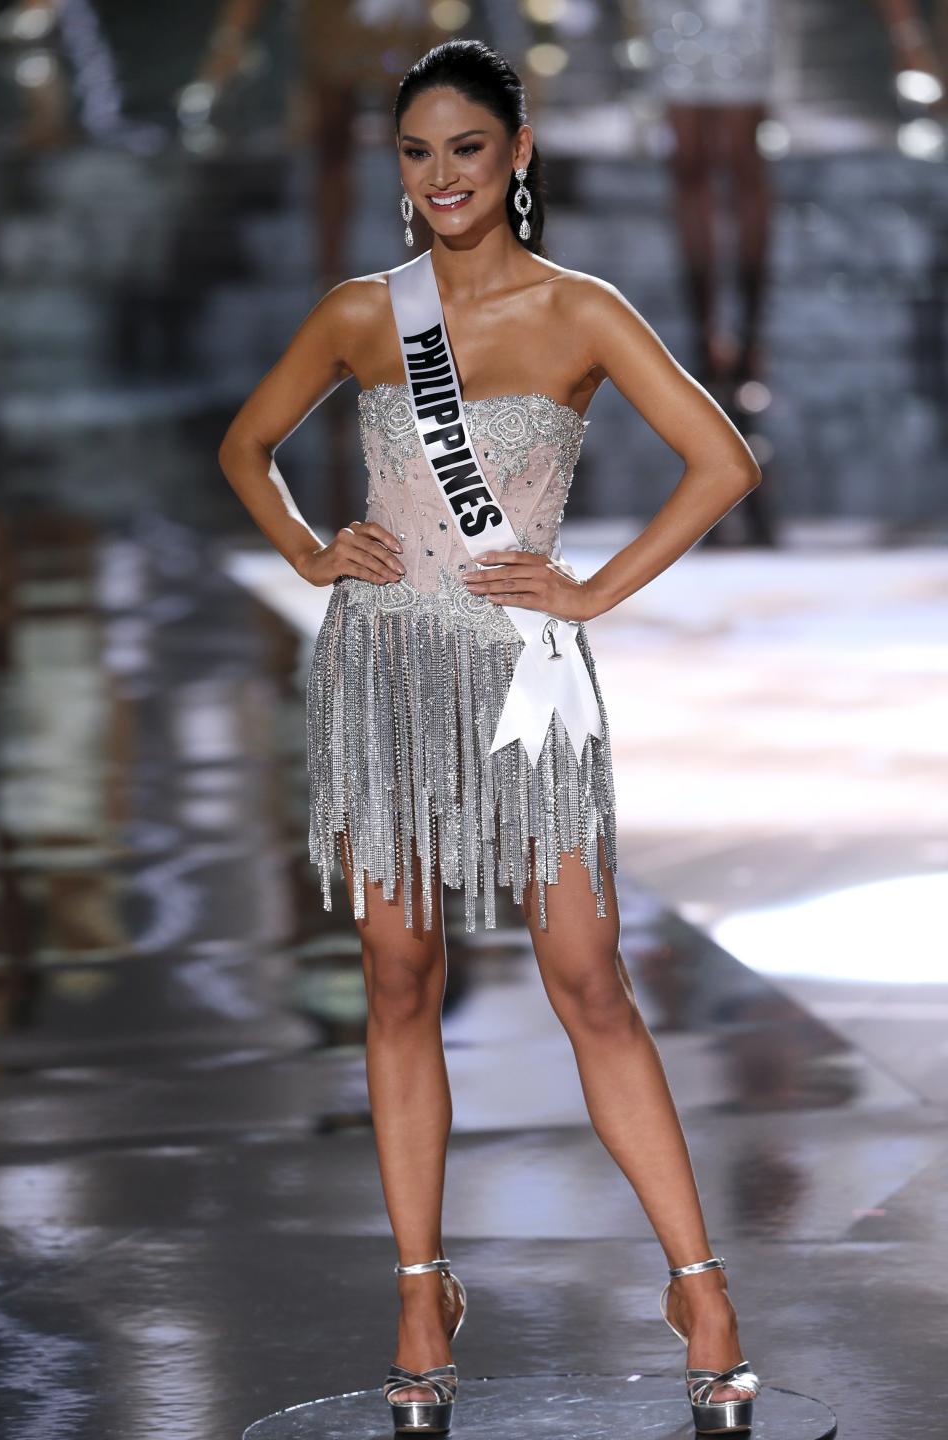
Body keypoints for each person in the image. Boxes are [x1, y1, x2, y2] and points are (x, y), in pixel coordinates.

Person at [217, 37, 763, 1437]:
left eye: (467, 148)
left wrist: (589, 591)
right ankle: (419, 1287)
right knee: (397, 978)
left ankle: (698, 1285)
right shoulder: (361, 312)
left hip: (524, 677)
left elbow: (723, 463)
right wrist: (305, 549)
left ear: (516, 156)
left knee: (590, 977)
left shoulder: (579, 311)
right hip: (385, 672)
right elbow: (248, 445)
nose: (441, 175)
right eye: (416, 152)